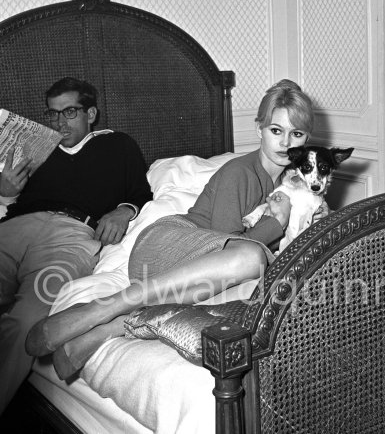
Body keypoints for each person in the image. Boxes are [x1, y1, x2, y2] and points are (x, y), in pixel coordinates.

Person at [25, 79, 320, 379]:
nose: (285, 144)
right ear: (259, 130)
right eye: (275, 131)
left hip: (193, 278)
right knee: (251, 261)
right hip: (166, 245)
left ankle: (110, 329)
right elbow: (225, 244)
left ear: (307, 138)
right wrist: (277, 223)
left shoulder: (297, 183)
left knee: (254, 297)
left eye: (296, 134)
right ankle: (106, 306)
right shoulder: (241, 173)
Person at [0, 77, 152, 415]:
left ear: (91, 113)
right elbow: (8, 199)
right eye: (53, 114)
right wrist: (5, 191)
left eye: (69, 112)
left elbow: (140, 194)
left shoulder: (118, 146)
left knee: (27, 321)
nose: (59, 122)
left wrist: (123, 211)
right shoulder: (35, 148)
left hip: (72, 235)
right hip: (17, 225)